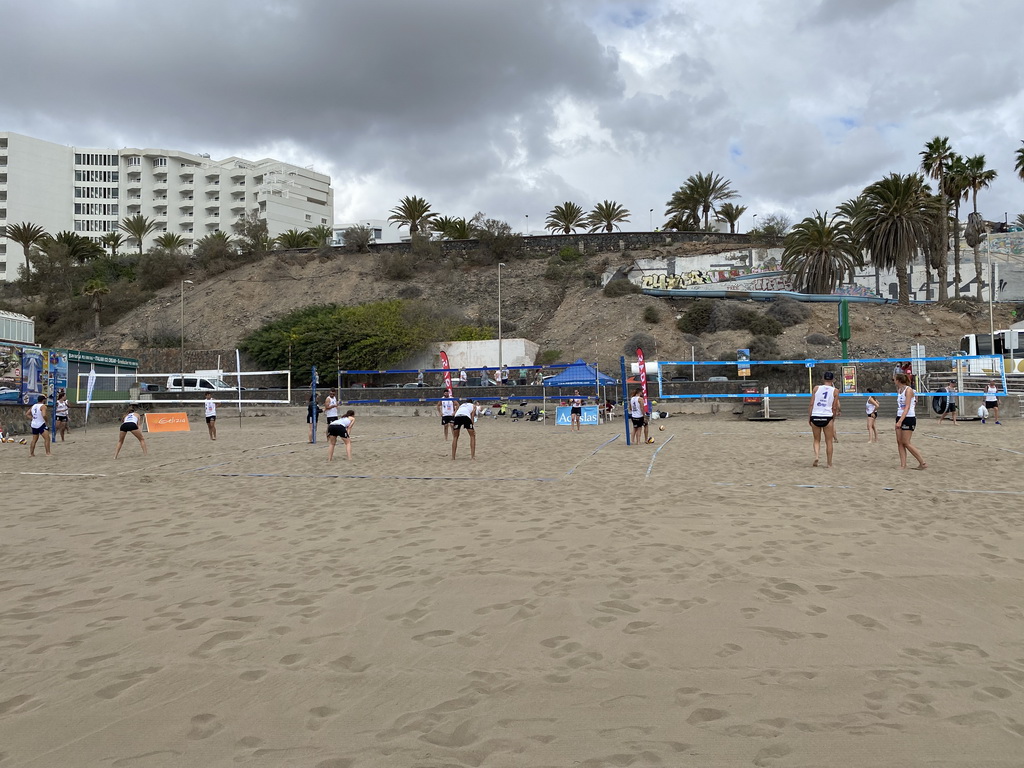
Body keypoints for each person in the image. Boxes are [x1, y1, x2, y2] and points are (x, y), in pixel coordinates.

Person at [894, 372, 927, 470]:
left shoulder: (909, 390)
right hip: (899, 415)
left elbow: (907, 407)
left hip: (908, 417)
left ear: (899, 380)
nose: (894, 381)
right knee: (899, 442)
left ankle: (922, 462)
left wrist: (900, 421)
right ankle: (903, 465)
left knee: (906, 442)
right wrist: (899, 419)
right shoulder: (899, 390)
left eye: (895, 379)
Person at [808, 371, 839, 467]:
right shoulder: (835, 391)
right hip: (827, 416)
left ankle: (817, 456)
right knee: (829, 441)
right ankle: (829, 463)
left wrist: (809, 417)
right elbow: (834, 407)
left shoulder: (816, 388)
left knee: (816, 440)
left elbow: (811, 403)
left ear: (823, 379)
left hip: (815, 415)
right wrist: (833, 418)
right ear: (833, 380)